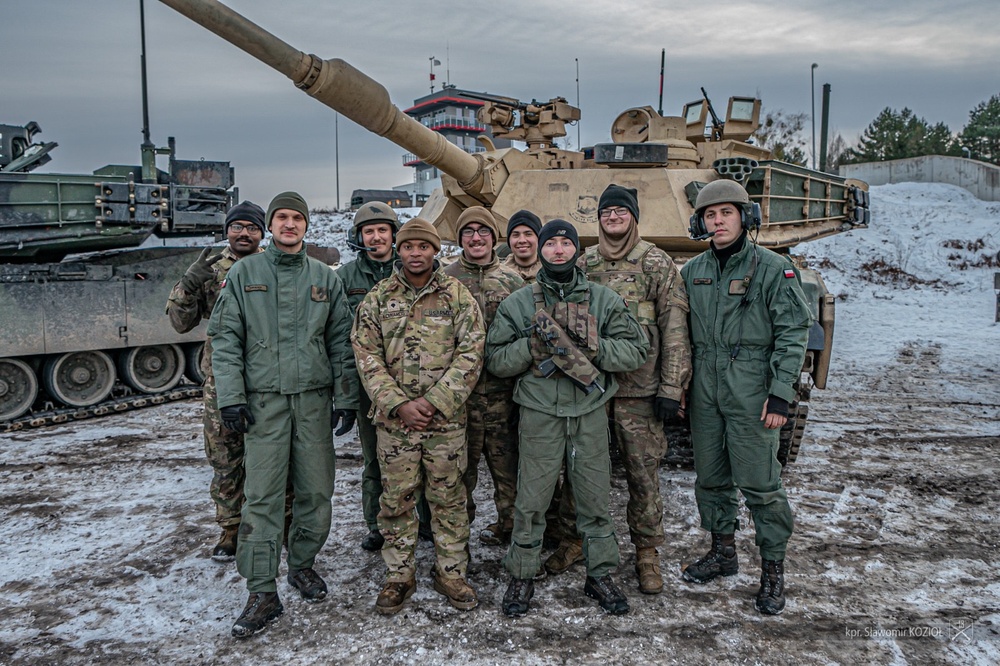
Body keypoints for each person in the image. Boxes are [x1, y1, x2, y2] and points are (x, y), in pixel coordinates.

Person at [208, 191, 359, 638]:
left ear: (306, 226)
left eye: (297, 218)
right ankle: (261, 590)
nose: (289, 225)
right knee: (263, 496)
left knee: (316, 492)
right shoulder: (244, 273)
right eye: (282, 218)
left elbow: (340, 342)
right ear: (270, 227)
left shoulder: (323, 278)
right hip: (265, 405)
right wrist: (231, 397)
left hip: (313, 402)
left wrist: (346, 397)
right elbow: (225, 339)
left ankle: (303, 564)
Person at [487, 219, 648, 617]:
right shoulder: (519, 303)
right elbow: (495, 360)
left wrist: (592, 350)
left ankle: (600, 574)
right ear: (539, 250)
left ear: (577, 250)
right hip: (540, 413)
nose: (558, 250)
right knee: (532, 499)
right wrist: (531, 347)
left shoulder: (604, 299)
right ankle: (523, 573)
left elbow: (635, 351)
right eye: (551, 243)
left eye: (566, 243)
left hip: (589, 411)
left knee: (594, 498)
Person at [679, 179, 812, 615]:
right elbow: (678, 336)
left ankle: (773, 571)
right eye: (710, 216)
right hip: (705, 389)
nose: (717, 222)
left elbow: (794, 333)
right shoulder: (691, 270)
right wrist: (678, 387)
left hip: (753, 388)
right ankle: (723, 552)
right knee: (711, 479)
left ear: (744, 217)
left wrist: (780, 394)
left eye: (726, 214)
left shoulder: (774, 269)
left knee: (760, 483)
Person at [351, 217, 486, 615]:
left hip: (444, 422)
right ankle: (399, 576)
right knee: (396, 500)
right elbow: (366, 355)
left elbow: (472, 352)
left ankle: (451, 572)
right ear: (399, 250)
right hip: (396, 424)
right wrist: (398, 403)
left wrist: (437, 401)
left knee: (448, 498)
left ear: (434, 251)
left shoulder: (457, 295)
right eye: (408, 247)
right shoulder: (378, 298)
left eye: (423, 247)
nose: (415, 253)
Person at [576, 184, 692, 594]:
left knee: (643, 476)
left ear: (634, 217)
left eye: (620, 212)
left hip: (639, 392)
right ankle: (578, 543)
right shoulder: (584, 262)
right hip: (590, 387)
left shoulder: (656, 262)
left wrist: (671, 385)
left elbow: (674, 326)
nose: (612, 218)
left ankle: (647, 553)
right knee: (583, 473)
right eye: (606, 212)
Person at [165, 200, 293, 561]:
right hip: (221, 381)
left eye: (252, 228)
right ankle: (231, 529)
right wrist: (189, 284)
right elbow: (179, 322)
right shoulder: (211, 268)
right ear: (227, 230)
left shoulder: (273, 265)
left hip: (268, 378)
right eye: (237, 226)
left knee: (275, 456)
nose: (244, 233)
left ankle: (282, 523)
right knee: (225, 456)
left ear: (262, 232)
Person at [337, 202, 432, 552]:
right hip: (370, 389)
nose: (376, 237)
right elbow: (340, 341)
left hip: (417, 385)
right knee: (376, 460)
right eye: (368, 231)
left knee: (424, 456)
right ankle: (377, 523)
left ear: (395, 235)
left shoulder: (411, 270)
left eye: (383, 230)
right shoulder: (344, 279)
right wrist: (346, 398)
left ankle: (424, 519)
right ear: (358, 236)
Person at [443, 206, 524, 545]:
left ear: (494, 237)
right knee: (458, 477)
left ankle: (511, 533)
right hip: (459, 401)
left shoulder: (513, 281)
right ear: (460, 238)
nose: (476, 237)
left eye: (483, 231)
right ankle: (456, 545)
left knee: (510, 476)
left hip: (504, 399)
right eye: (468, 232)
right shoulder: (445, 281)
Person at [502, 209, 542, 283]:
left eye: (528, 234)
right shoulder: (498, 276)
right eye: (516, 235)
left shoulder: (552, 275)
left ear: (539, 238)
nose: (522, 240)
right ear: (509, 240)